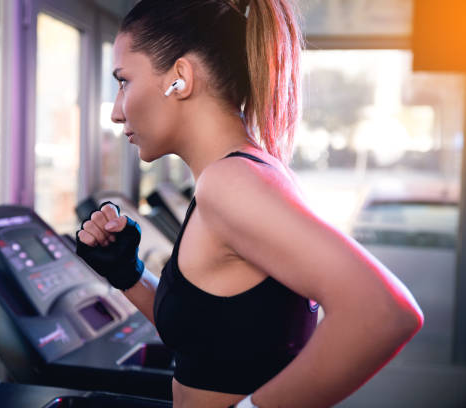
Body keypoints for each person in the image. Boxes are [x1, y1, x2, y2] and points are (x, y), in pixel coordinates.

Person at [75, 0, 424, 407]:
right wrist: (128, 273)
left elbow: (383, 312)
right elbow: (213, 340)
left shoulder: (229, 184)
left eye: (123, 81)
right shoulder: (238, 175)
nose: (117, 112)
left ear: (180, 79)